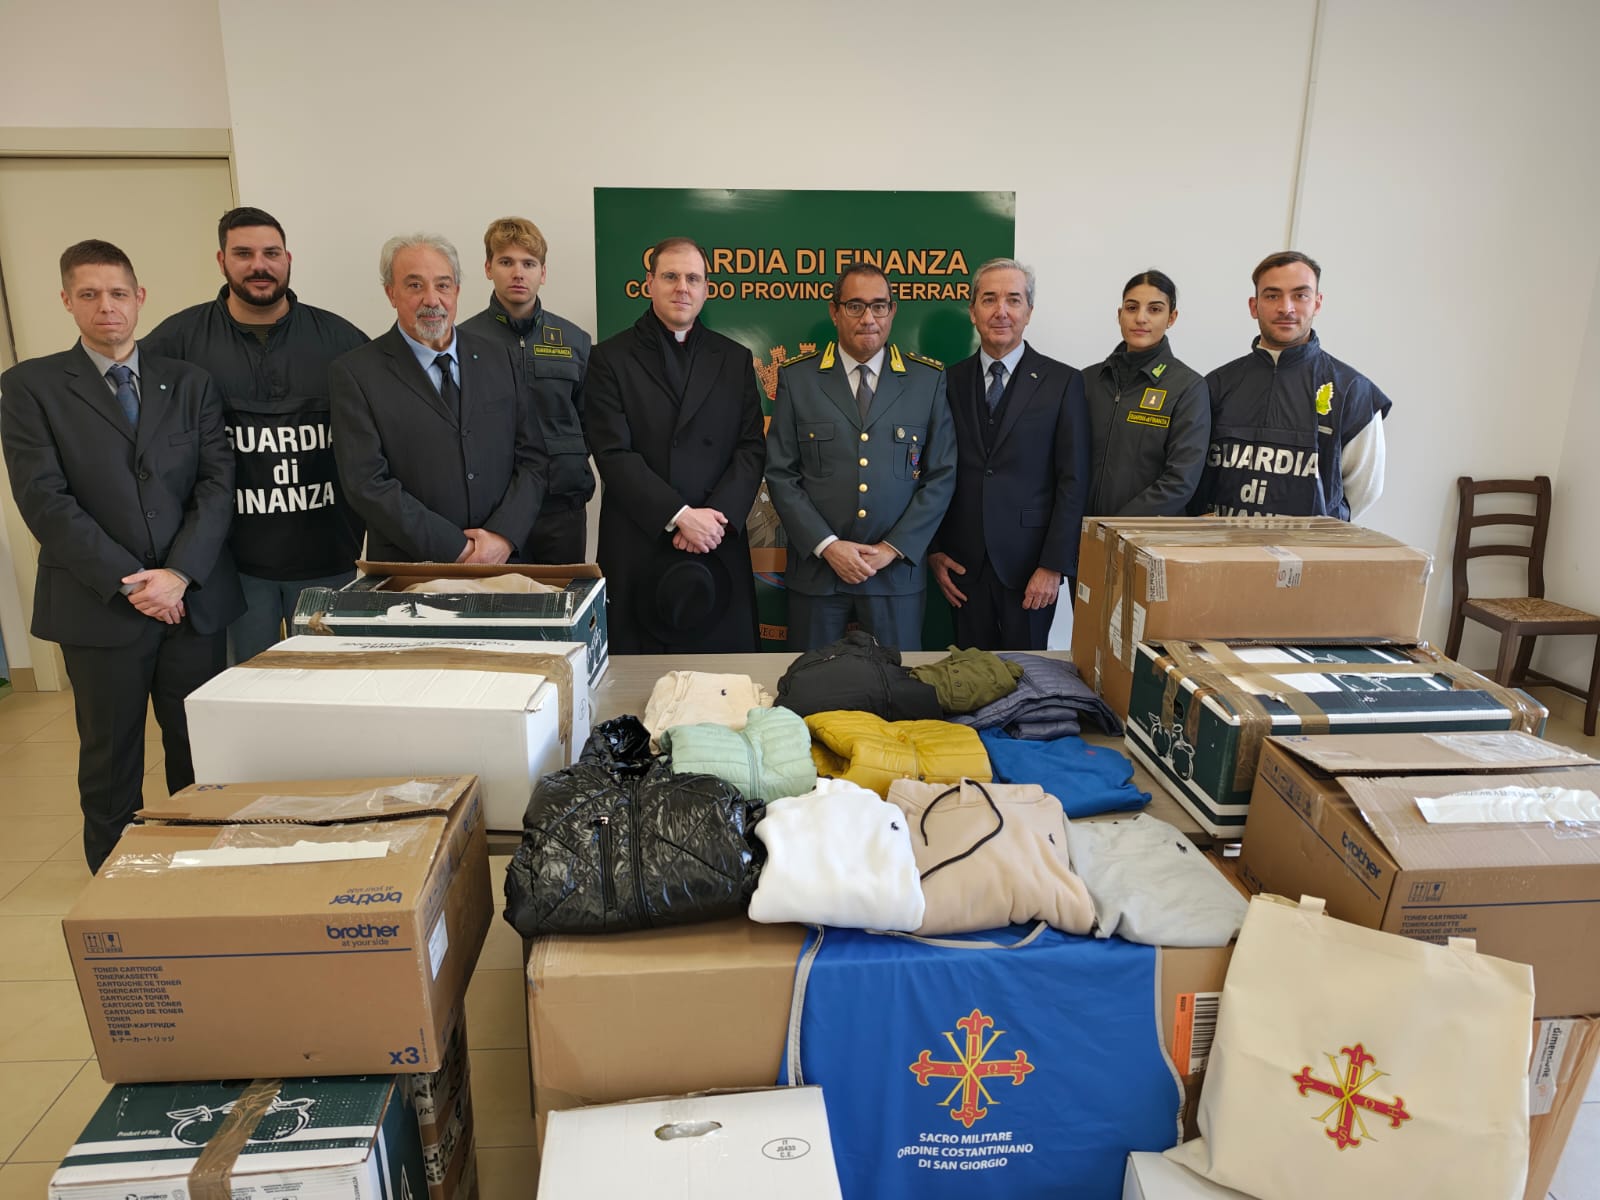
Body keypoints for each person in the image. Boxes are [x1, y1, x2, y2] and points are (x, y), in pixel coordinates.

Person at [0, 240, 244, 871]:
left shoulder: (189, 383)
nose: (105, 306)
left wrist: (179, 574)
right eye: (89, 294)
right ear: (67, 301)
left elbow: (216, 485)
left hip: (191, 601)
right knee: (111, 756)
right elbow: (44, 500)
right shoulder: (30, 387)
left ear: (139, 298)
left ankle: (202, 867)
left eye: (117, 293)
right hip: (100, 606)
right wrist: (134, 583)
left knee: (196, 748)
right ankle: (116, 878)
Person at [142, 206, 369, 662]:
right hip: (228, 563)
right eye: (243, 254)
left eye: (271, 253)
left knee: (329, 682)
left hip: (328, 557)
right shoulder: (176, 342)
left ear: (288, 259)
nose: (259, 266)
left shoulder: (341, 340)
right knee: (245, 684)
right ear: (221, 260)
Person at [582, 236, 765, 652]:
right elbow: (613, 453)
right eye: (670, 276)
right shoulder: (609, 358)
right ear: (649, 283)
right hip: (640, 540)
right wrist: (679, 515)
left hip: (716, 539)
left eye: (693, 278)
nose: (682, 287)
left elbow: (751, 447)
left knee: (723, 676)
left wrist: (713, 521)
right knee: (637, 679)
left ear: (706, 289)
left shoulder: (735, 358)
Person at [767, 263, 957, 651]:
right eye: (855, 306)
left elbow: (941, 475)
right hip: (818, 574)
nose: (868, 318)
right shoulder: (799, 379)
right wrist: (827, 545)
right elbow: (781, 473)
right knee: (814, 682)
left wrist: (891, 549)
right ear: (834, 311)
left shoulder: (927, 380)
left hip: (895, 576)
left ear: (892, 311)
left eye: (879, 306)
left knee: (895, 684)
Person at [330, 233, 546, 564]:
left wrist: (503, 537)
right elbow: (367, 484)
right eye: (415, 285)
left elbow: (533, 459)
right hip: (410, 571)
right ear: (391, 293)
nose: (432, 299)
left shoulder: (500, 358)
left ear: (456, 290)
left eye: (443, 285)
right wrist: (458, 549)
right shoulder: (356, 373)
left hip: (502, 563)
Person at [927, 258, 1090, 649]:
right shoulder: (947, 381)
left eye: (1013, 300)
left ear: (1028, 312)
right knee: (970, 675)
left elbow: (1074, 480)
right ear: (972, 311)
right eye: (989, 299)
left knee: (1028, 675)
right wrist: (934, 551)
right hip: (962, 568)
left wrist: (1054, 565)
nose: (1001, 311)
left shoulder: (1063, 382)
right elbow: (930, 471)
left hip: (1031, 569)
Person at [1194, 251, 1390, 519]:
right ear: (1254, 306)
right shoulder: (1215, 385)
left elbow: (1363, 491)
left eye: (1300, 295)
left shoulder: (1353, 392)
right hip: (1222, 543)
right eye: (1272, 296)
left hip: (1308, 546)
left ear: (1317, 303)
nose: (1286, 308)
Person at [460, 217, 595, 563]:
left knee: (563, 595)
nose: (518, 273)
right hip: (492, 513)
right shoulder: (462, 342)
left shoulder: (575, 341)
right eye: (506, 262)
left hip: (561, 509)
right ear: (488, 268)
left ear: (543, 273)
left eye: (529, 264)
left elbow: (591, 423)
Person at [1082, 269, 1210, 516]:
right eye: (1131, 308)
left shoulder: (1188, 388)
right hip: (1081, 531)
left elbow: (1180, 481)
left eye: (1154, 309)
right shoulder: (1087, 380)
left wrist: (1114, 528)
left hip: (1144, 534)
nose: (1141, 318)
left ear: (1171, 318)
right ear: (1119, 314)